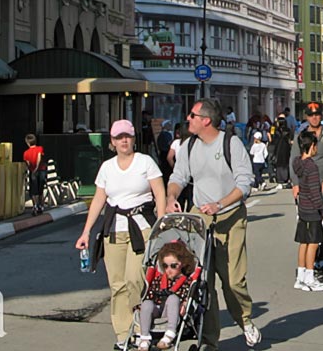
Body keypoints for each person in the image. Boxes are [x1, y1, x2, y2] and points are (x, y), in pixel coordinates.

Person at [165, 99, 261, 350]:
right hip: (200, 217)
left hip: (230, 216)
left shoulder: (231, 143)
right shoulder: (188, 146)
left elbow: (244, 183)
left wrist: (220, 204)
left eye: (193, 115)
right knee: (202, 281)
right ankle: (209, 340)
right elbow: (178, 177)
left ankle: (245, 320)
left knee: (232, 280)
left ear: (206, 120)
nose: (188, 118)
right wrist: (171, 196)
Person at [75, 119, 167, 351]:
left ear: (134, 138)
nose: (123, 141)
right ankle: (123, 333)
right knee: (117, 285)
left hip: (141, 228)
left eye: (127, 136)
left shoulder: (145, 162)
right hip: (114, 231)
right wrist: (86, 231)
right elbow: (99, 199)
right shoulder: (107, 167)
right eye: (118, 137)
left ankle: (140, 328)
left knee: (134, 279)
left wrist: (163, 222)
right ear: (112, 142)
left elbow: (159, 192)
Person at [137, 241, 196, 350]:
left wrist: (185, 303)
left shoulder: (186, 281)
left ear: (182, 263)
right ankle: (144, 337)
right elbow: (150, 295)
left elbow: (188, 298)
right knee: (147, 303)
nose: (169, 270)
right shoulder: (159, 280)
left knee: (173, 298)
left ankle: (170, 333)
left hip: (173, 312)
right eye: (165, 266)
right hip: (157, 310)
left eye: (173, 266)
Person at [292, 132, 323, 292]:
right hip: (313, 209)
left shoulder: (297, 163)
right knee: (313, 244)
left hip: (303, 208)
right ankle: (309, 276)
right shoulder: (311, 166)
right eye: (315, 145)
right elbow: (316, 192)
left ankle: (300, 277)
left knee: (304, 242)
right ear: (311, 146)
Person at [289, 102, 323, 196]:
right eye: (311, 115)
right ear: (306, 117)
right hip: (305, 185)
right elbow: (293, 159)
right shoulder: (300, 136)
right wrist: (295, 183)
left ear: (321, 115)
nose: (314, 117)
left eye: (317, 114)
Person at [23, 133, 45, 216]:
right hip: (41, 170)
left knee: (33, 189)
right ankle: (41, 206)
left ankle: (35, 205)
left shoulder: (26, 153)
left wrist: (32, 169)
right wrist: (38, 166)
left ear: (27, 143)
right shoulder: (40, 148)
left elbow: (28, 163)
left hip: (33, 172)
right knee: (41, 189)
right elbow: (39, 156)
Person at [270, 116, 293, 189]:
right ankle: (286, 179)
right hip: (286, 148)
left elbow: (271, 134)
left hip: (278, 148)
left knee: (279, 164)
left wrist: (273, 125)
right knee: (286, 163)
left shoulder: (276, 130)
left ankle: (280, 180)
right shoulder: (288, 130)